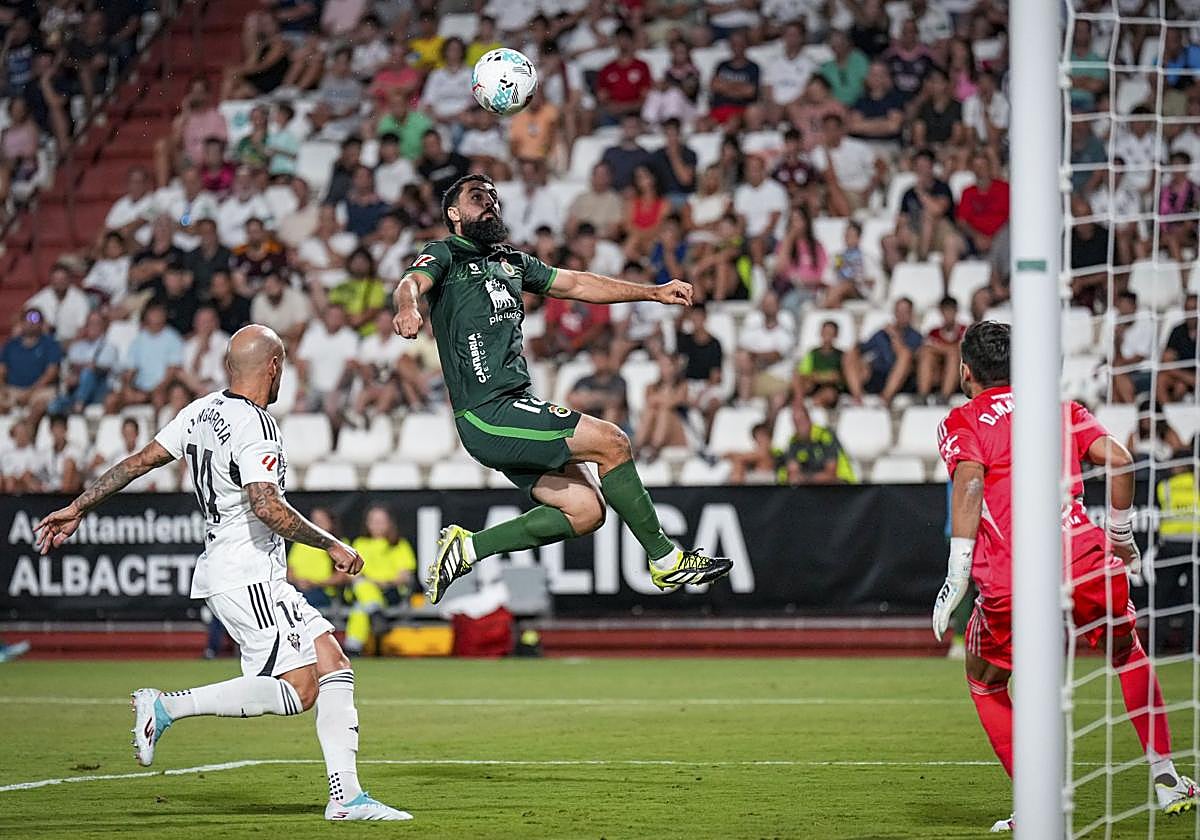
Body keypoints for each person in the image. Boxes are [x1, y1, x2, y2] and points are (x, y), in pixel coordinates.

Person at [34, 325, 410, 822]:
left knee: (333, 662)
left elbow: (138, 462)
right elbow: (267, 506)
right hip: (248, 573)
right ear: (273, 368)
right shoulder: (257, 425)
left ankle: (347, 797)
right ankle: (166, 707)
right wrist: (332, 543)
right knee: (300, 690)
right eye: (283, 367)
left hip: (239, 570)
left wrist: (78, 505)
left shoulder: (201, 410)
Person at [392, 173, 732, 603]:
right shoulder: (446, 254)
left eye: (494, 197)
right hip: (487, 413)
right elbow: (410, 283)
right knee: (612, 441)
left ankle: (469, 548)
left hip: (515, 407)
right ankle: (665, 560)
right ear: (454, 214)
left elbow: (577, 283)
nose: (491, 203)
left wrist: (652, 292)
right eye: (478, 198)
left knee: (587, 512)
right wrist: (408, 307)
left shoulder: (511, 262)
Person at [931, 321, 1198, 831]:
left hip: (1012, 577)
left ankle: (1035, 802)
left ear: (966, 371)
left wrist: (957, 572)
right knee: (1126, 651)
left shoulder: (962, 419)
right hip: (1084, 560)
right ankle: (1166, 777)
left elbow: (969, 478)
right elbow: (1120, 461)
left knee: (985, 683)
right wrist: (1120, 537)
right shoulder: (1060, 411)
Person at [344, 505, 416, 656]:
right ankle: (375, 615)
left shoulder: (398, 544)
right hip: (365, 590)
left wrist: (383, 582)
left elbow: (405, 575)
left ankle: (352, 648)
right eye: (373, 521)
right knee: (361, 590)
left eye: (380, 521)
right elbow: (353, 573)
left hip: (390, 591)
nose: (376, 525)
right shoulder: (360, 543)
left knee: (360, 606)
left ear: (389, 523)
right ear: (367, 523)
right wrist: (371, 582)